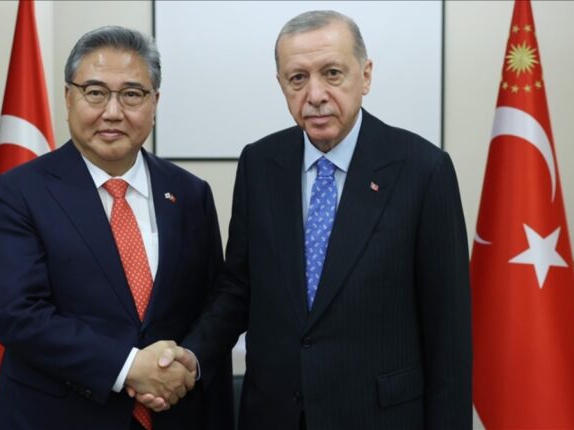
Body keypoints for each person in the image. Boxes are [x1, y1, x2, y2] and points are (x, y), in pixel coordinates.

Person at [143, 10, 472, 429]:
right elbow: (238, 289)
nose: (315, 94)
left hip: (379, 417)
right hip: (274, 415)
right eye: (297, 78)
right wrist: (192, 355)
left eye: (332, 73)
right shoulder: (260, 163)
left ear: (365, 76)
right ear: (281, 83)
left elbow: (449, 333)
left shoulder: (423, 170)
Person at [0, 26, 233, 430]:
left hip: (174, 413)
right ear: (69, 98)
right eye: (95, 93)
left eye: (132, 94)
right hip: (58, 416)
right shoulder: (19, 192)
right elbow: (19, 315)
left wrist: (187, 362)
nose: (113, 112)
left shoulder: (190, 193)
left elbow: (214, 300)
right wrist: (130, 367)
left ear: (154, 102)